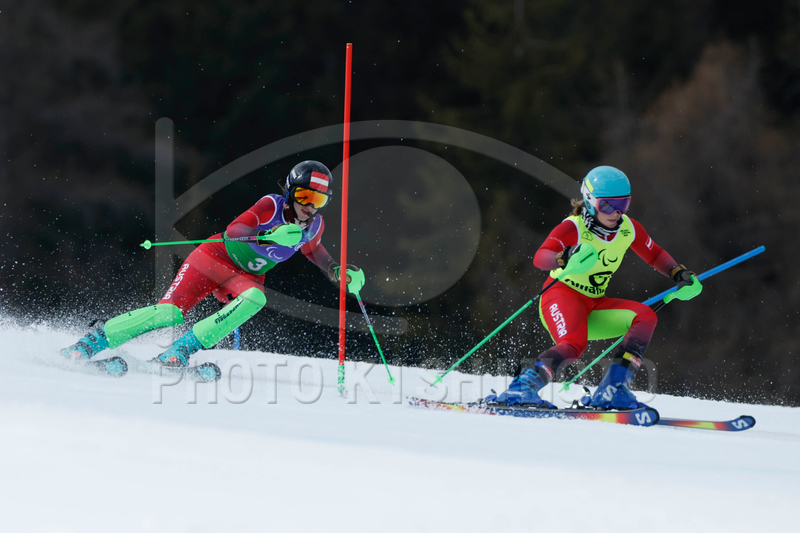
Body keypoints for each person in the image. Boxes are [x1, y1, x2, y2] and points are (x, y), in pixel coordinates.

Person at [60, 160, 365, 371]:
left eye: (318, 201)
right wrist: (268, 235)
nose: (309, 206)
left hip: (246, 276)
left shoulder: (314, 226)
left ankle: (181, 350)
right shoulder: (271, 205)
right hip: (214, 258)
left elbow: (313, 249)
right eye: (304, 196)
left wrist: (334, 270)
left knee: (256, 298)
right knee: (169, 313)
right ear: (290, 191)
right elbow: (235, 230)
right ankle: (93, 341)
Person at [488, 166, 702, 410]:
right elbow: (540, 257)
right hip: (561, 295)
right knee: (573, 345)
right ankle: (522, 387)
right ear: (590, 202)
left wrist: (678, 273)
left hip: (594, 302)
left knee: (645, 316)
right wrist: (565, 256)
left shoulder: (628, 229)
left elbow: (655, 254)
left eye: (623, 204)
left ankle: (612, 390)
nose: (616, 213)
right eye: (607, 206)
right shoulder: (574, 227)